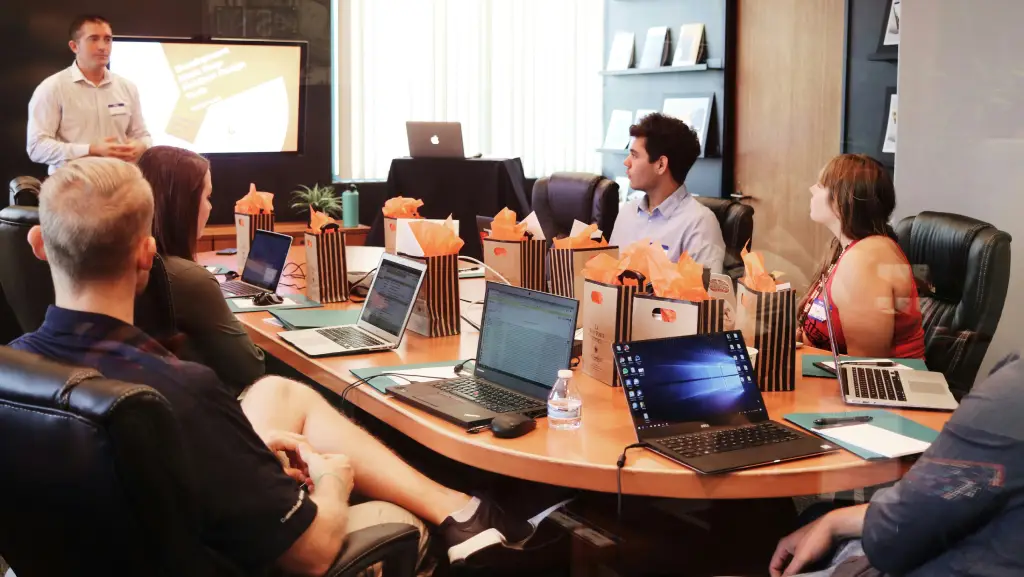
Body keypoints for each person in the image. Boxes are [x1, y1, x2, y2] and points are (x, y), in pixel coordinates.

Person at [9, 157, 539, 575]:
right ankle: (463, 519)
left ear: (38, 244)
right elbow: (308, 554)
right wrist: (333, 479)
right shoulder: (180, 392)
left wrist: (244, 455)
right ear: (146, 254)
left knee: (278, 391)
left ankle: (460, 508)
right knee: (398, 523)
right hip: (243, 559)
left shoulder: (16, 370)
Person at [769, 353, 1024, 577]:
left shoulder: (1013, 394)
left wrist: (834, 523)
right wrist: (833, 521)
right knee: (817, 514)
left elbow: (890, 545)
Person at [137, 145, 264, 394]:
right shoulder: (189, 278)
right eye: (207, 197)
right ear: (183, 205)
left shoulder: (129, 263)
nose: (210, 207)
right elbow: (252, 368)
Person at [797, 154, 925, 359]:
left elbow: (866, 368)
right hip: (834, 376)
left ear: (842, 199)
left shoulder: (866, 259)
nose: (812, 190)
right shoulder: (845, 248)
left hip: (882, 386)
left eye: (820, 186)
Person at [26, 15, 150, 174]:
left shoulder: (127, 87)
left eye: (107, 39)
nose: (103, 46)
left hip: (121, 184)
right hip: (72, 186)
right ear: (74, 46)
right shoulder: (52, 88)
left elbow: (143, 136)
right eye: (93, 39)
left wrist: (140, 146)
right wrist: (90, 149)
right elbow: (36, 148)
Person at [608, 112, 725, 272]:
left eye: (635, 155)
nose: (626, 162)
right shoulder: (627, 213)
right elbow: (606, 279)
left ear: (661, 165)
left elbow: (704, 294)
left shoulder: (700, 224)